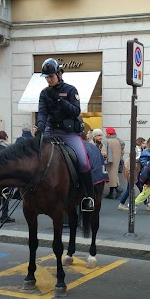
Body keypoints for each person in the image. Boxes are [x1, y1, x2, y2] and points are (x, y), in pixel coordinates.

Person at [35, 58, 94, 212]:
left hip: (69, 133)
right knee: (36, 156)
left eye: (51, 76)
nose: (48, 80)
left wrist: (61, 101)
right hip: (50, 131)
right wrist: (40, 126)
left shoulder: (71, 90)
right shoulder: (44, 93)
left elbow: (76, 111)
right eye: (46, 77)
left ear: (59, 74)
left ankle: (89, 196)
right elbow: (42, 112)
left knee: (82, 161)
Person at [118, 137, 146, 211]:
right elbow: (136, 158)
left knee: (138, 188)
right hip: (133, 171)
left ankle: (147, 203)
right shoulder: (138, 149)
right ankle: (121, 203)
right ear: (140, 143)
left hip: (133, 171)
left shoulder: (137, 149)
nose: (144, 144)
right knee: (132, 189)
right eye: (143, 143)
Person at [0, 131, 15, 224]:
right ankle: (4, 215)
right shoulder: (5, 148)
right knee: (5, 196)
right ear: (5, 137)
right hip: (4, 176)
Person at [104, 127, 124, 199]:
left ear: (108, 134)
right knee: (114, 175)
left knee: (111, 177)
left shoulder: (107, 141)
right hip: (117, 160)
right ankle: (111, 192)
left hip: (109, 160)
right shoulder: (118, 140)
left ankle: (117, 189)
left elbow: (105, 151)